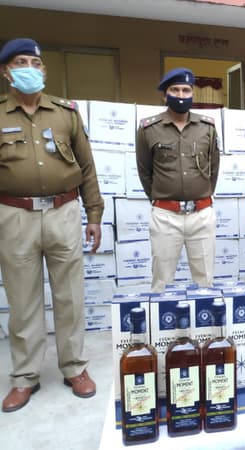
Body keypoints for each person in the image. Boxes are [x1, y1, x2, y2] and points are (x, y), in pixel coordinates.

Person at [0, 38, 103, 412]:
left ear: (43, 69)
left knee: (70, 296)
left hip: (64, 212)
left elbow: (87, 167)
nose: (29, 68)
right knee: (22, 300)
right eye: (20, 62)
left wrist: (94, 215)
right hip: (14, 215)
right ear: (6, 71)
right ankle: (25, 377)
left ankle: (74, 367)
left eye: (35, 62)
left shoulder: (66, 113)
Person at [136, 68, 220, 292]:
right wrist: (163, 199)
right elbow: (145, 171)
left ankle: (204, 318)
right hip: (166, 216)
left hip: (201, 215)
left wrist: (200, 195)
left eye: (186, 90)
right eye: (175, 90)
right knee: (162, 283)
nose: (181, 95)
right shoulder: (148, 128)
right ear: (165, 95)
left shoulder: (207, 127)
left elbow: (214, 169)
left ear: (192, 94)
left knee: (205, 282)